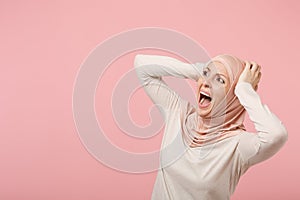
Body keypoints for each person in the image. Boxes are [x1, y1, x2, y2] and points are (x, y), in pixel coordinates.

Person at [134, 53, 288, 200]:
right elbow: (141, 65)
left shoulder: (237, 145)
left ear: (234, 95)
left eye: (220, 80)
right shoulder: (179, 114)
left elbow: (276, 135)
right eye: (206, 74)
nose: (206, 83)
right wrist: (198, 71)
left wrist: (244, 88)